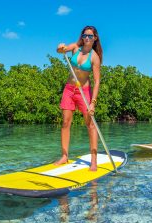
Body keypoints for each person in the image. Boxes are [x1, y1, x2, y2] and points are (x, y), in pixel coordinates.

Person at [55, 25, 103, 171]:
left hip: (84, 91)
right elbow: (61, 50)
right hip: (69, 90)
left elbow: (97, 82)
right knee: (65, 122)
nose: (87, 38)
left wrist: (93, 103)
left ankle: (93, 160)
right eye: (84, 35)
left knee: (90, 124)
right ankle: (64, 156)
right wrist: (60, 47)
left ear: (95, 38)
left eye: (90, 36)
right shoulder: (76, 48)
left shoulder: (94, 57)